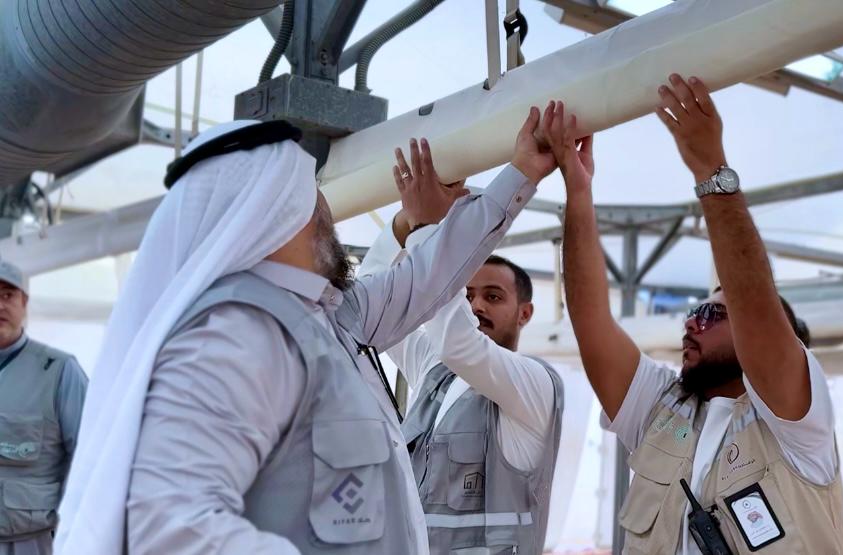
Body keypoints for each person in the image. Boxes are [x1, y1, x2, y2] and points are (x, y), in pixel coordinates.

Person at [53, 109, 563, 554]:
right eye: (315, 201)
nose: (328, 217)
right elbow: (171, 528)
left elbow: (428, 277)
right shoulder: (233, 338)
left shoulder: (331, 314)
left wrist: (521, 172)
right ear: (277, 213)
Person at [551, 75, 843, 555]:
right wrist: (578, 192)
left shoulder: (797, 425)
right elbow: (590, 320)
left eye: (712, 314)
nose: (692, 323)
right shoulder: (661, 409)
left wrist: (712, 172)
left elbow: (754, 300)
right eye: (695, 312)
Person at [359, 212, 563, 553]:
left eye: (493, 297)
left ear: (525, 313)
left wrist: (427, 229)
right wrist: (404, 222)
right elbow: (373, 306)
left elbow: (458, 342)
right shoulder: (434, 367)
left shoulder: (534, 383)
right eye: (465, 296)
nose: (476, 306)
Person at [0, 260, 87, 555]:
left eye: (8, 295)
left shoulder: (59, 371)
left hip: (30, 542)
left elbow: (88, 457)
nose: (0, 305)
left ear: (24, 303)